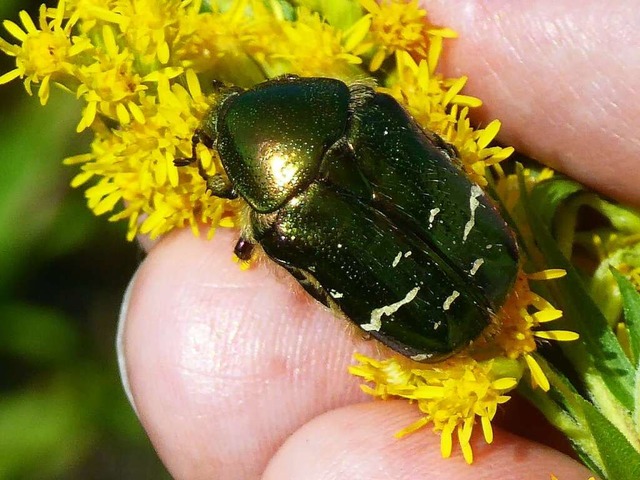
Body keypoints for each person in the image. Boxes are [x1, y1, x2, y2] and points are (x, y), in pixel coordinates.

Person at [117, 1, 637, 477]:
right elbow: (440, 152)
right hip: (489, 262)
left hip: (441, 315)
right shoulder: (368, 110)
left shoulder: (278, 220)